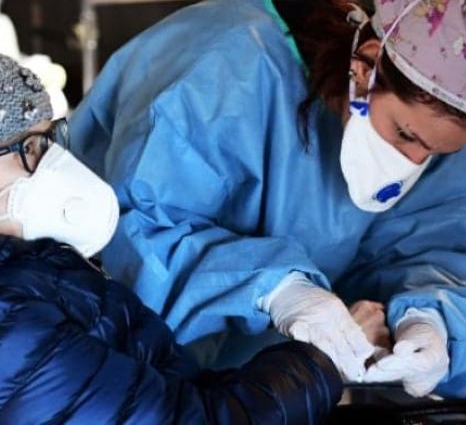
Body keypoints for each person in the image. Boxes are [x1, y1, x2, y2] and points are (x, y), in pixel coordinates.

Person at [69, 0, 466, 398]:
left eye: (436, 152)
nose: (413, 161)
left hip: (277, 393)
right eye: (404, 134)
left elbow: (436, 244)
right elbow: (137, 237)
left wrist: (432, 318)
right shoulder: (223, 74)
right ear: (366, 69)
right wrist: (276, 290)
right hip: (129, 380)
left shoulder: (432, 121)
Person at [0, 54, 342, 424]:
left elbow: (164, 395)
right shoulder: (11, 319)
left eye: (51, 141)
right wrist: (320, 365)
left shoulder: (35, 271)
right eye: (32, 148)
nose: (53, 164)